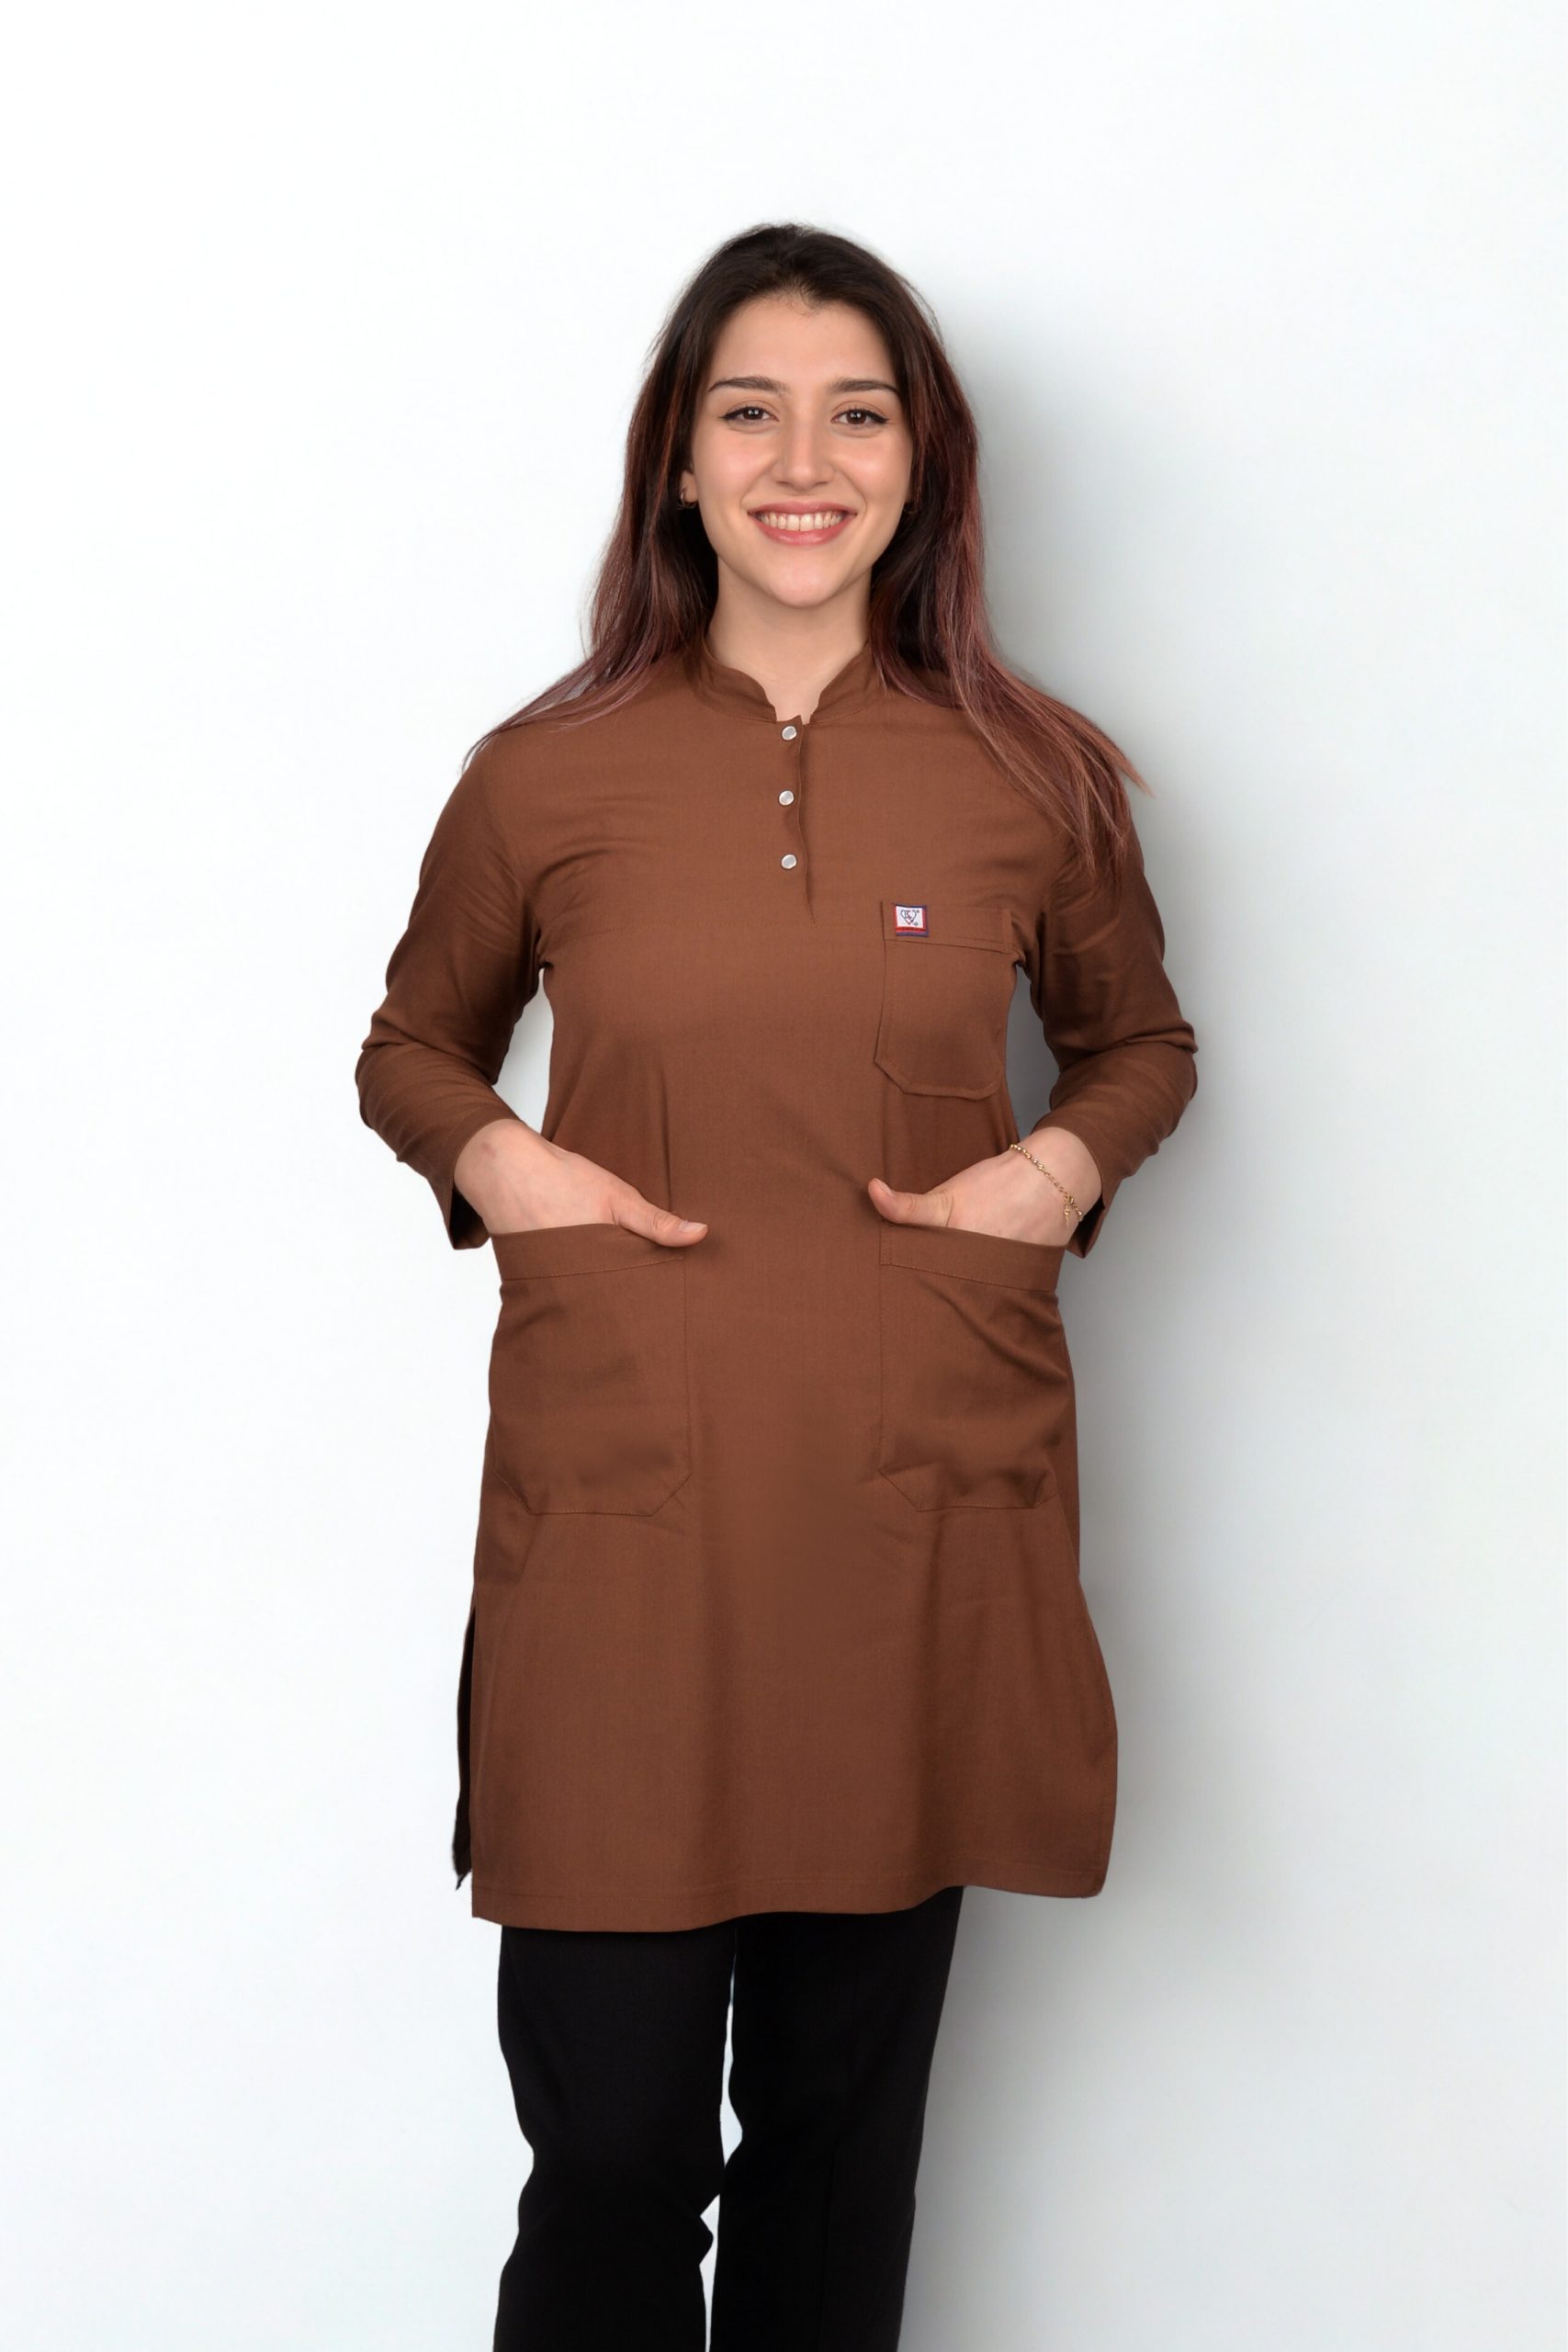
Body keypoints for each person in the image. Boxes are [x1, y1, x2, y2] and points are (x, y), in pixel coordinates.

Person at [355, 220, 1200, 2351]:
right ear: (678, 456)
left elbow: (1138, 1044)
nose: (801, 461)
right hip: (623, 1528)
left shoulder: (1031, 771)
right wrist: (504, 1161)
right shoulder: (544, 772)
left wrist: (1050, 1169)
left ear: (923, 461)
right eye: (750, 410)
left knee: (832, 2159)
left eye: (855, 413)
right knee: (614, 2149)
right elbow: (410, 1045)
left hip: (902, 1528)